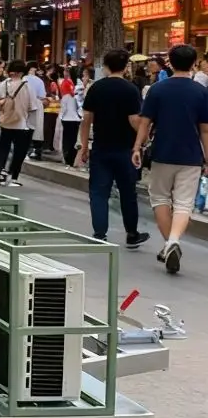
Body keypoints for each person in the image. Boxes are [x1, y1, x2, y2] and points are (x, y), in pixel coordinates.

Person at [133, 43, 208, 275]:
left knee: (160, 198)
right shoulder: (201, 92)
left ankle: (170, 244)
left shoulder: (157, 89)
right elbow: (205, 130)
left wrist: (137, 147)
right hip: (191, 155)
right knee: (184, 203)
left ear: (170, 63)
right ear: (194, 63)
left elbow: (145, 122)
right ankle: (173, 241)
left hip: (162, 152)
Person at [75, 50, 149, 248]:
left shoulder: (96, 88)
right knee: (128, 192)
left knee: (99, 192)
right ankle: (131, 234)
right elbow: (134, 120)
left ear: (105, 66)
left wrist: (84, 146)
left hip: (101, 147)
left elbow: (86, 119)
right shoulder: (130, 89)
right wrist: (142, 141)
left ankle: (99, 234)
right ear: (125, 67)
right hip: (125, 149)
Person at [0, 60, 35, 187]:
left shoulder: (3, 85)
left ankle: (0, 174)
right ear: (22, 72)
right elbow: (32, 106)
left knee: (3, 149)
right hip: (22, 124)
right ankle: (13, 178)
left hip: (6, 122)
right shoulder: (27, 86)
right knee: (19, 152)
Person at [58, 67, 82, 167]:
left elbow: (63, 108)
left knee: (67, 140)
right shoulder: (79, 90)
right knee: (74, 139)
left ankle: (67, 158)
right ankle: (73, 158)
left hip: (67, 119)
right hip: (76, 119)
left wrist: (60, 117)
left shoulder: (66, 94)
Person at [24, 63, 48, 159]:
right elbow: (42, 95)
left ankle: (26, 150)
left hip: (24, 104)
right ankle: (36, 151)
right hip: (37, 104)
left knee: (25, 127)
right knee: (37, 128)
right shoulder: (39, 81)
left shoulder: (23, 79)